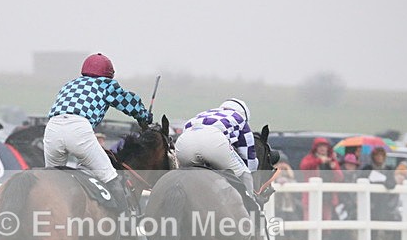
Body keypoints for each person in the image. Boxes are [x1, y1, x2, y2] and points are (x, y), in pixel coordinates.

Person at [44, 53, 152, 213]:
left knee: (52, 183)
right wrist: (144, 117)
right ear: (109, 74)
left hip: (52, 128)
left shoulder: (70, 84)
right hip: (78, 129)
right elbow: (128, 101)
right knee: (111, 177)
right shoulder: (106, 84)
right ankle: (126, 225)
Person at [175, 99, 259, 204]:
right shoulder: (240, 119)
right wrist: (249, 174)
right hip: (214, 141)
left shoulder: (202, 114)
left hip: (184, 141)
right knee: (245, 174)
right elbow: (248, 156)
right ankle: (252, 207)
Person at [361, 146, 397, 240]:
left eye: (381, 155)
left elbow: (392, 184)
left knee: (380, 224)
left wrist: (384, 182)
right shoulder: (367, 169)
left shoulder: (388, 169)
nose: (379, 158)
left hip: (383, 202)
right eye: (377, 155)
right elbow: (361, 180)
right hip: (370, 201)